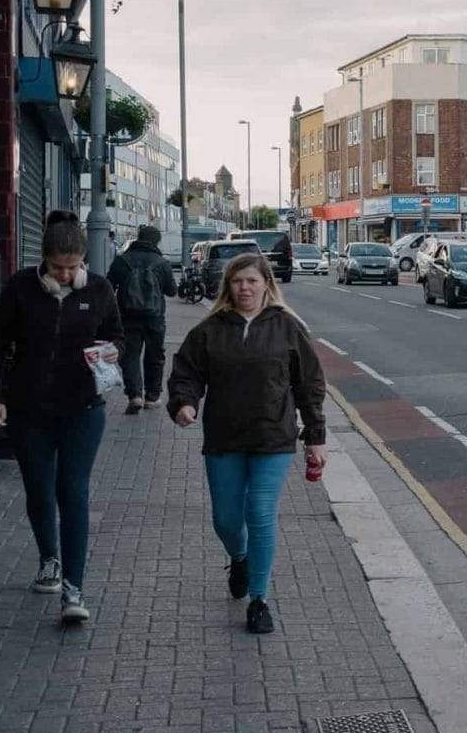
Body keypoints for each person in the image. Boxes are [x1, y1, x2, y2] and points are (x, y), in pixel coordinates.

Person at [167, 252, 327, 634]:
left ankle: (259, 599)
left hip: (273, 436)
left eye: (252, 281)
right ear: (228, 286)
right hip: (224, 437)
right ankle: (238, 556)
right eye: (238, 281)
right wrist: (184, 403)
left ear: (266, 284)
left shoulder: (287, 328)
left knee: (260, 513)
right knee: (226, 519)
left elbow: (310, 385)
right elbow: (185, 373)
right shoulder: (209, 330)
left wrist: (316, 437)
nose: (244, 288)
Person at [0, 210, 123, 627]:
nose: (65, 276)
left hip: (84, 408)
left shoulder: (98, 288)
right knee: (40, 490)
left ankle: (74, 590)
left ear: (83, 263)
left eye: (73, 267)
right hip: (29, 410)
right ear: (44, 261)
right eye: (58, 268)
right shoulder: (21, 287)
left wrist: (115, 349)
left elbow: (117, 333)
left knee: (73, 492)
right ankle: (48, 559)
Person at [108, 223, 176, 414]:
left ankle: (135, 395)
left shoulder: (123, 260)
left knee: (130, 356)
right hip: (155, 317)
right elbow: (172, 291)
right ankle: (152, 397)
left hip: (127, 316)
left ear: (139, 238)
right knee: (155, 356)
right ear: (157, 241)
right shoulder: (161, 263)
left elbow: (108, 286)